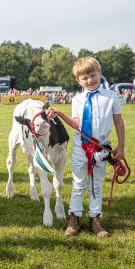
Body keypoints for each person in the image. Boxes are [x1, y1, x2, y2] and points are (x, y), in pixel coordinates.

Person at [62, 57, 125, 237]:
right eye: (84, 78)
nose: (89, 80)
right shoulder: (77, 99)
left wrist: (121, 146)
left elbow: (118, 121)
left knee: (96, 184)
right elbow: (76, 122)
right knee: (78, 183)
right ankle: (74, 219)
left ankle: (95, 220)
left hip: (101, 149)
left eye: (92, 75)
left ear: (100, 73)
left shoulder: (111, 97)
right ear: (78, 80)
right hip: (81, 147)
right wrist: (59, 116)